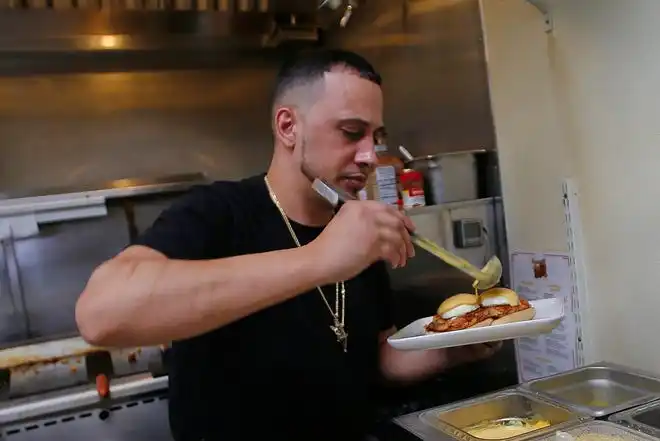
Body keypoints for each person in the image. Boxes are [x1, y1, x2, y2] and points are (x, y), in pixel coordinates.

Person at [75, 49, 501, 441]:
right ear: (288, 126)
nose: (371, 155)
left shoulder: (354, 230)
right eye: (351, 132)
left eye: (376, 137)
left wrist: (452, 350)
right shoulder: (219, 213)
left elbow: (376, 358)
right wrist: (318, 259)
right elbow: (101, 314)